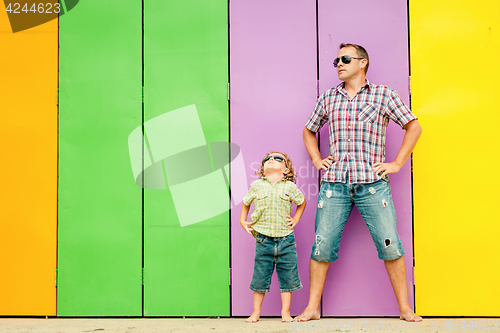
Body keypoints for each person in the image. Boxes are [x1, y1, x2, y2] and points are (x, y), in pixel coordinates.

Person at [296, 43, 423, 322]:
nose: (339, 64)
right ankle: (312, 308)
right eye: (336, 60)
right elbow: (308, 130)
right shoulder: (329, 97)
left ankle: (405, 309)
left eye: (345, 58)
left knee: (390, 244)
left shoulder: (384, 95)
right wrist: (318, 160)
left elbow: (414, 126)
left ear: (362, 63)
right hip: (334, 185)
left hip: (373, 185)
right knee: (322, 245)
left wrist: (397, 163)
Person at [240, 151, 307, 323]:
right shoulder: (256, 186)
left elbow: (302, 202)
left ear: (286, 170)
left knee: (288, 278)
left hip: (286, 240)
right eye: (267, 159)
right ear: (262, 169)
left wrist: (296, 219)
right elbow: (246, 203)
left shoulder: (290, 187)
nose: (271, 160)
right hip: (263, 240)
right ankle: (256, 312)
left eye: (278, 159)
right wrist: (242, 220)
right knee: (260, 277)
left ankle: (285, 312)